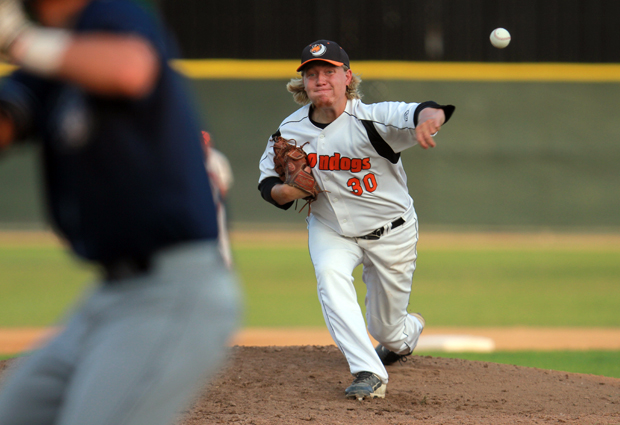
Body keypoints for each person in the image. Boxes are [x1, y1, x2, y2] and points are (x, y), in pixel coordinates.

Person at [0, 1, 242, 424]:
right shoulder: (53, 67)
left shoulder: (110, 14)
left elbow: (129, 68)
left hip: (172, 292)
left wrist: (16, 39)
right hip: (107, 299)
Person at [258, 39, 454, 400]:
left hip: (391, 232)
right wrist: (287, 191)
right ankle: (368, 371)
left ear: (347, 77)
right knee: (330, 276)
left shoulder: (374, 118)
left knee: (388, 331)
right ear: (303, 84)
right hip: (330, 228)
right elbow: (267, 183)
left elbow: (426, 110)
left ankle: (405, 335)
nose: (320, 79)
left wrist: (430, 120)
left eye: (329, 72)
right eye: (312, 74)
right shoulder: (290, 130)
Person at [201, 130, 234, 268]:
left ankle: (226, 265)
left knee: (221, 238)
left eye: (206, 142)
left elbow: (224, 186)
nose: (204, 145)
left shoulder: (217, 159)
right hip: (197, 209)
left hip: (215, 206)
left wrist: (219, 202)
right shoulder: (189, 158)